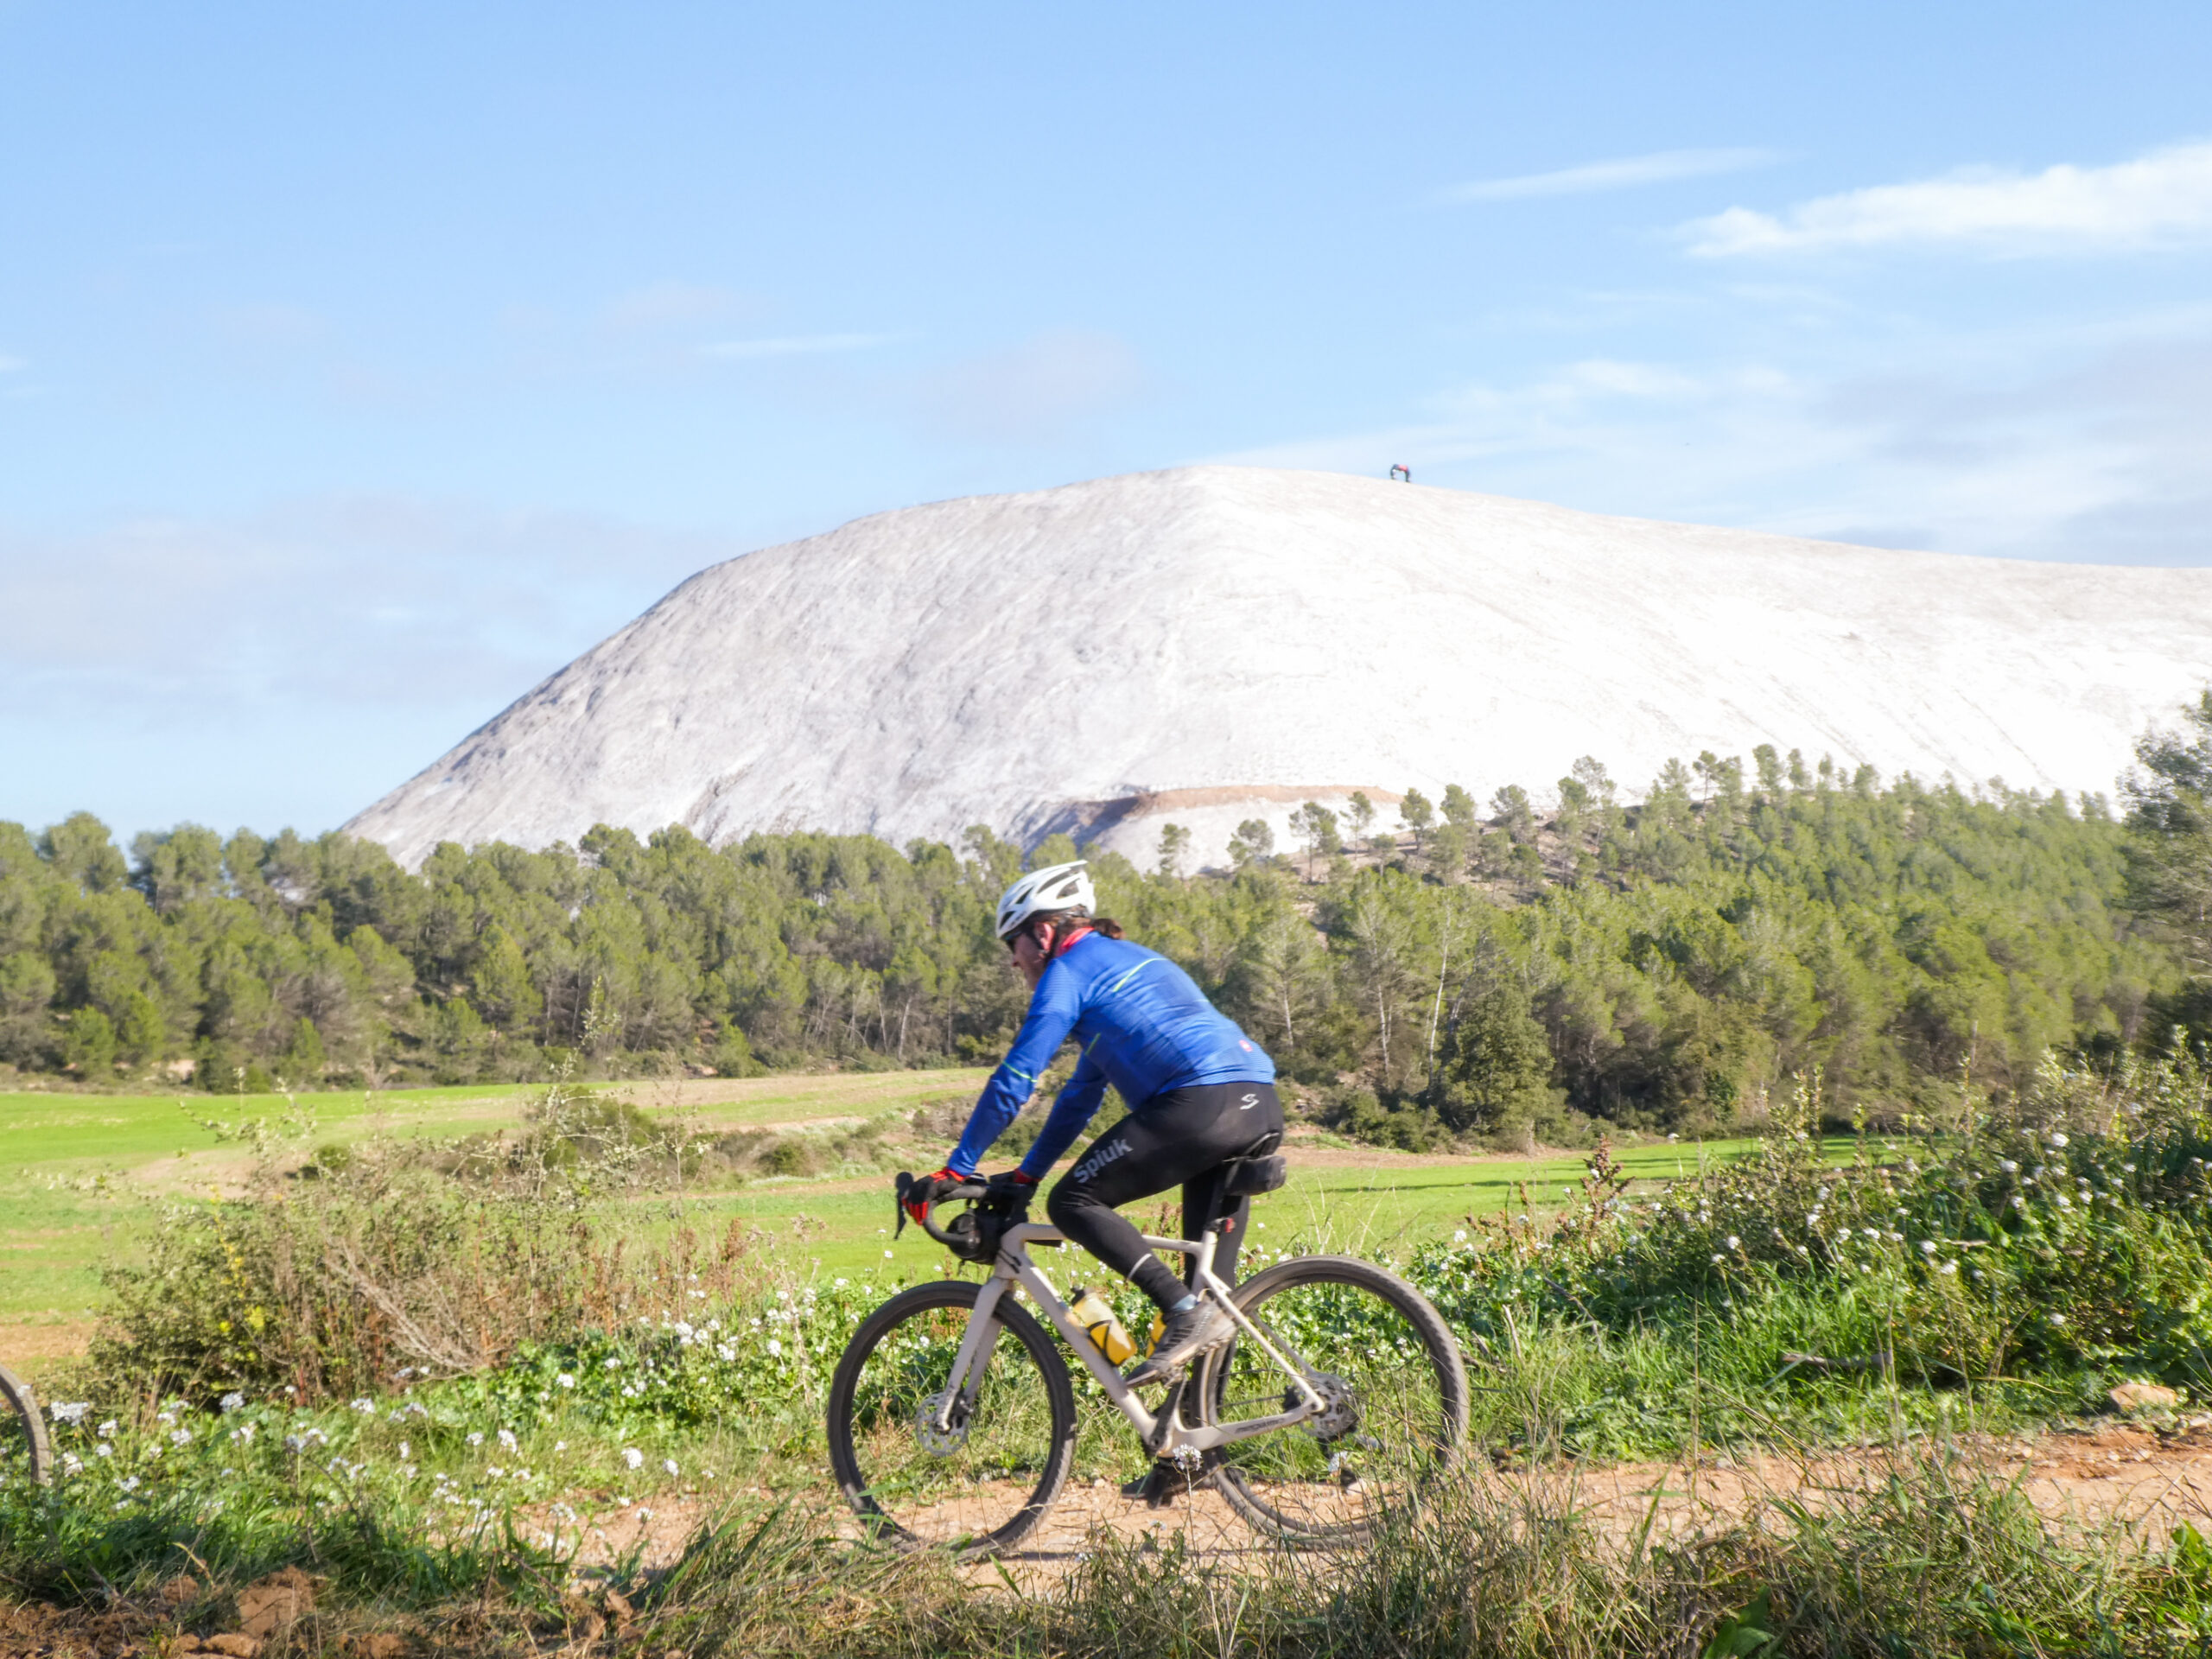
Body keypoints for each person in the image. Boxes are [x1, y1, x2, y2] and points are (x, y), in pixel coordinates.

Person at [908, 859, 1282, 1389]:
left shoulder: (1067, 975)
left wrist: (958, 1165)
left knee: (1074, 1203)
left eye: (1011, 944)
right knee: (1212, 1299)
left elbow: (1016, 1077)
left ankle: (1180, 1309)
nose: (1013, 962)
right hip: (1257, 1101)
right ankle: (1192, 1461)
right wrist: (1026, 1176)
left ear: (1041, 932)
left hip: (1202, 1103)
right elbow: (1080, 1097)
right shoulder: (1124, 965)